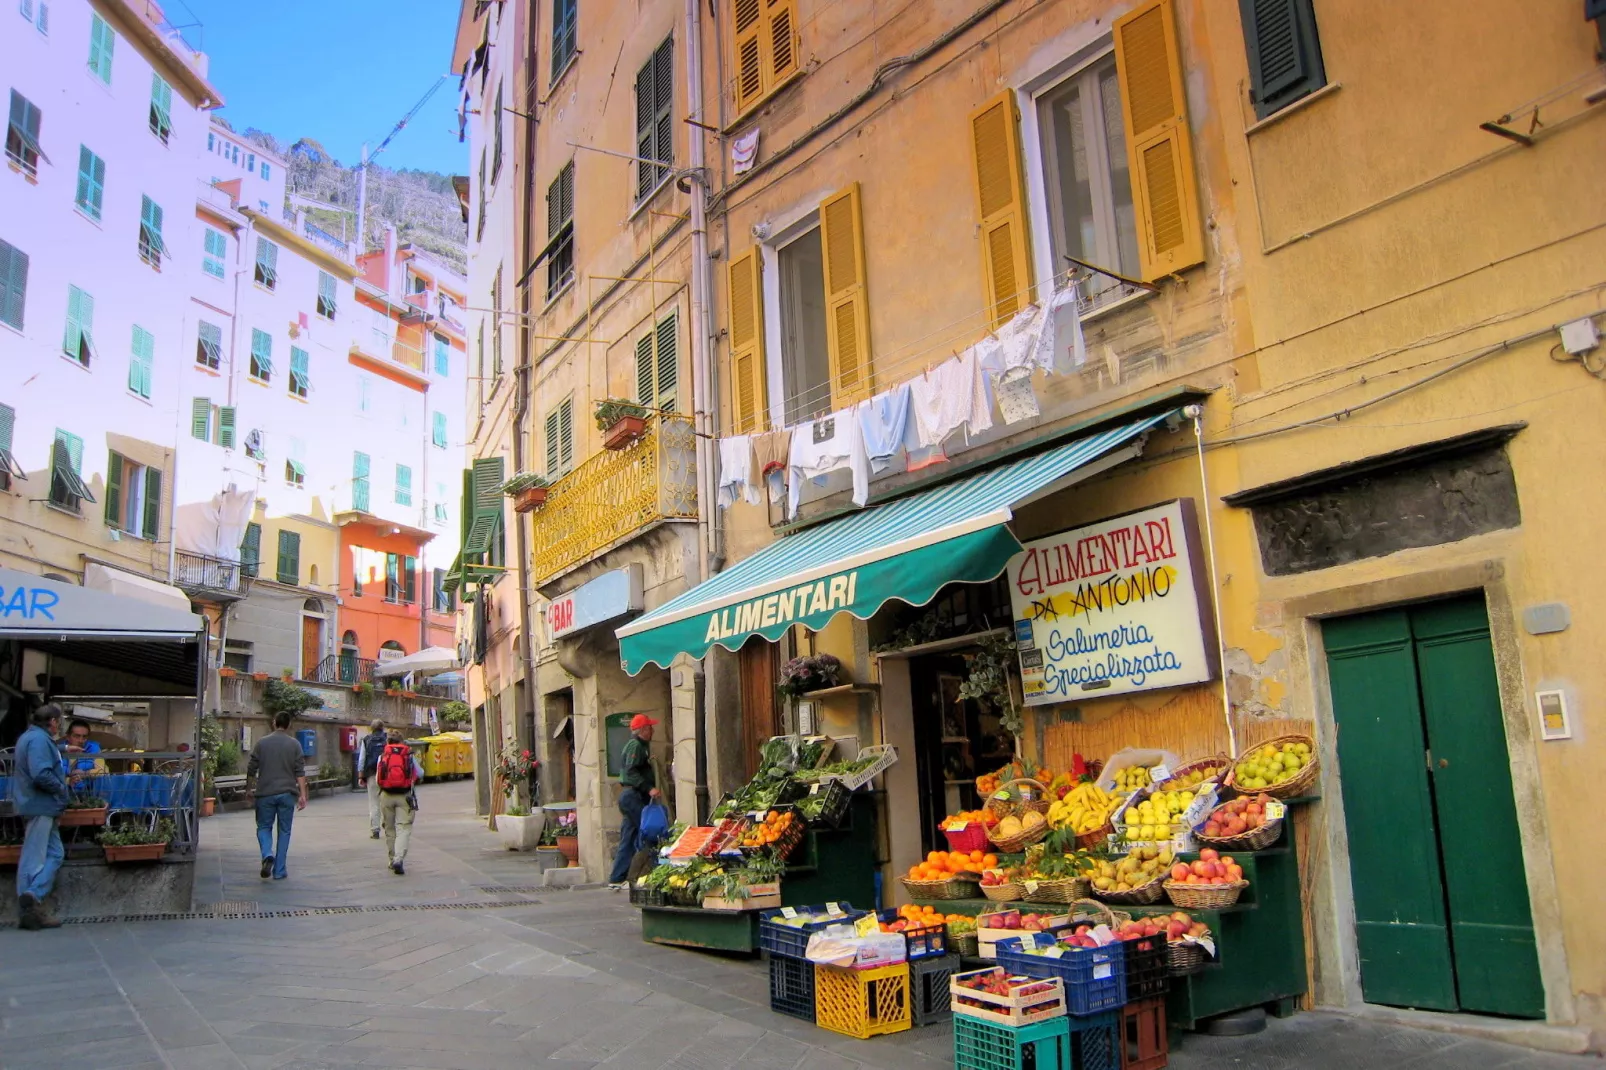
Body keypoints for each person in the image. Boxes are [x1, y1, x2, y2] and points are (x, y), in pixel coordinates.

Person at [14, 704, 71, 930]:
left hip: (39, 805)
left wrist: (64, 747)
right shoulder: (38, 740)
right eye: (59, 721)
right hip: (40, 805)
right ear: (53, 721)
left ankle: (32, 897)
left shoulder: (32, 737)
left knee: (55, 853)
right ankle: (30, 902)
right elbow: (41, 773)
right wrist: (61, 789)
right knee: (35, 857)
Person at [245, 711, 307, 880]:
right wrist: (302, 794)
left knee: (264, 827)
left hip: (265, 793)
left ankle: (267, 854)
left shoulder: (262, 743)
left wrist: (249, 789)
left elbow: (251, 769)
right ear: (288, 725)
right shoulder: (295, 745)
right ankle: (279, 871)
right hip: (287, 793)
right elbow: (300, 772)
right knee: (284, 831)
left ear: (274, 723)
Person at [608, 714, 662, 888]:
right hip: (633, 796)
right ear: (643, 730)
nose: (652, 730)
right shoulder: (635, 746)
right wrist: (649, 788)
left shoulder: (640, 746)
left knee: (629, 837)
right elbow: (631, 772)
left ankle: (617, 878)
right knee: (650, 833)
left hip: (631, 796)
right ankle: (655, 874)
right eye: (650, 727)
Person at [375, 731, 423, 875]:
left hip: (386, 795)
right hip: (404, 796)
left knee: (389, 829)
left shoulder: (382, 756)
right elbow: (420, 773)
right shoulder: (408, 755)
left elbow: (378, 777)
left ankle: (391, 860)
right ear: (402, 741)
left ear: (388, 742)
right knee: (404, 827)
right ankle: (398, 858)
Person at [355, 719, 387, 840]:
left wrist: (360, 776)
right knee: (385, 800)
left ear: (371, 728)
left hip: (371, 775)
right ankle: (386, 823)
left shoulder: (366, 740)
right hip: (385, 775)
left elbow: (362, 759)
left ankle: (375, 830)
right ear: (382, 728)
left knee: (374, 802)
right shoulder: (386, 739)